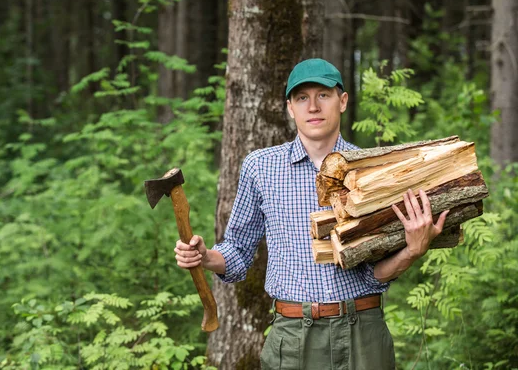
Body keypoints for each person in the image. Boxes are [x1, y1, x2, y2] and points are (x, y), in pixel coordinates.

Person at [174, 58, 449, 369]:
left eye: (323, 95)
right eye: (302, 97)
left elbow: (375, 274)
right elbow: (237, 252)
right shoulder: (261, 167)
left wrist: (413, 251)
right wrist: (205, 256)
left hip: (363, 333)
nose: (313, 107)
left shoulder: (372, 170)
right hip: (292, 336)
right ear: (290, 107)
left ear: (342, 101)